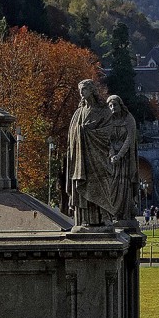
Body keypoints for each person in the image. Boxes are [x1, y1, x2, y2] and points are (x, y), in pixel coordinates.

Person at [66, 79, 114, 229]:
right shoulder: (77, 113)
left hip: (97, 155)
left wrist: (88, 131)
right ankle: (84, 219)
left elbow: (108, 131)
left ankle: (104, 216)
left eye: (84, 89)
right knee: (83, 184)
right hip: (81, 158)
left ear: (92, 91)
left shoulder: (104, 111)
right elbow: (71, 136)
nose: (81, 93)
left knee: (102, 185)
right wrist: (80, 131)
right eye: (80, 90)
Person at [106, 94, 139, 222]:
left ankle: (124, 214)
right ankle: (112, 214)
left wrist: (119, 155)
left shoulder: (129, 119)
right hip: (112, 159)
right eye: (110, 106)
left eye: (114, 105)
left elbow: (130, 139)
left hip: (125, 159)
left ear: (120, 105)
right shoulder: (108, 121)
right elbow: (107, 140)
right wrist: (112, 154)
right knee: (111, 185)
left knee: (124, 184)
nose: (112, 108)